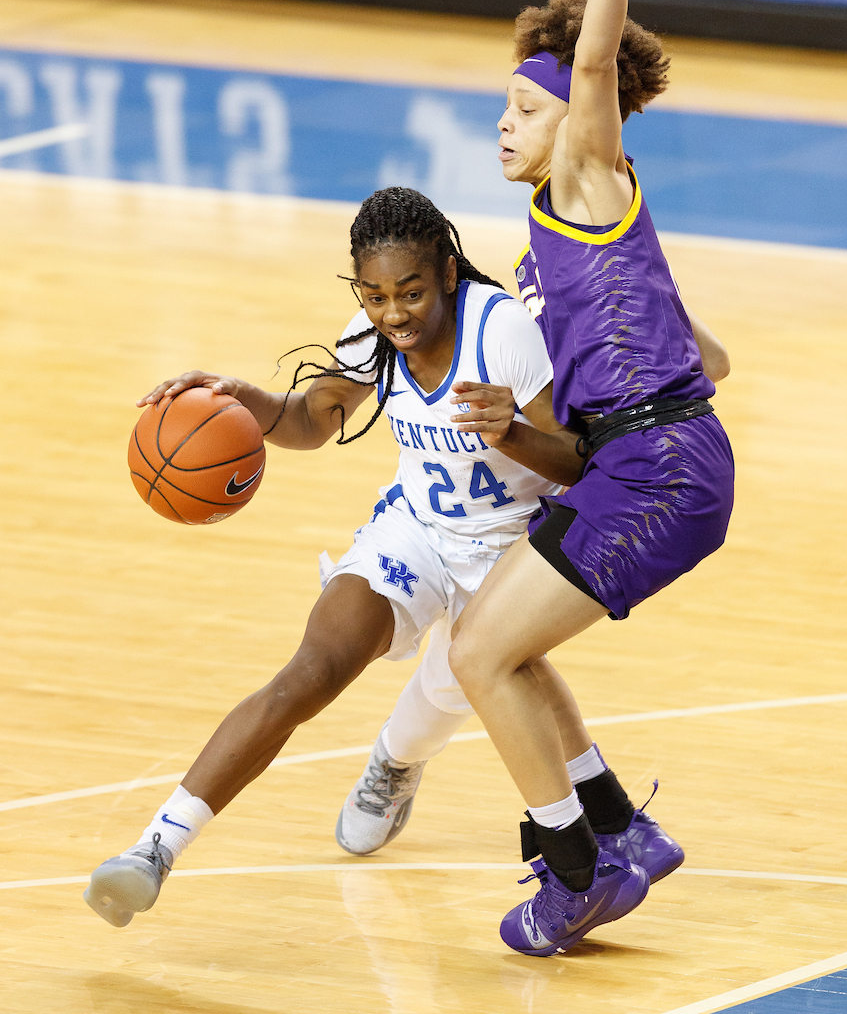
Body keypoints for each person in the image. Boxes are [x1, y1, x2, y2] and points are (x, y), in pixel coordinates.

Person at [83, 186, 607, 928]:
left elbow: (581, 461)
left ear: (448, 274)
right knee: (312, 669)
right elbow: (306, 421)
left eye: (411, 291)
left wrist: (513, 434)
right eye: (375, 294)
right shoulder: (369, 336)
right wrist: (239, 400)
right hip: (416, 530)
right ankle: (153, 849)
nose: (393, 312)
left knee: (458, 681)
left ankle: (394, 763)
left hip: (507, 545)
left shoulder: (503, 333)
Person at [443, 0, 736, 957]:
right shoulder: (561, 239)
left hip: (658, 469)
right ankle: (619, 833)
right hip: (641, 460)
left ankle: (572, 875)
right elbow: (708, 362)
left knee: (477, 654)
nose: (504, 123)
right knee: (502, 644)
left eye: (523, 104)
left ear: (575, 123)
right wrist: (532, 423)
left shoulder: (583, 170)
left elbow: (597, 66)